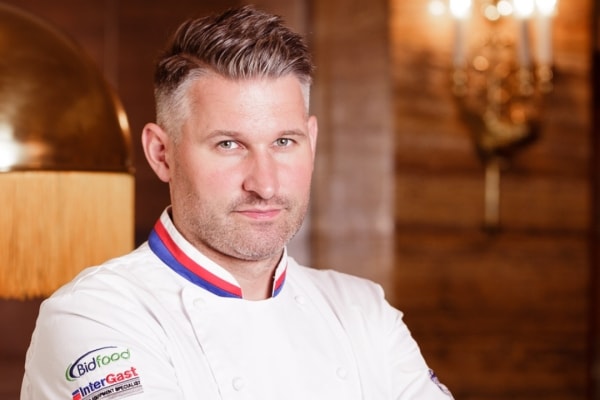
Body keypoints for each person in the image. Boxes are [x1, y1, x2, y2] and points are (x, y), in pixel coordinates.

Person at [21, 6, 453, 400]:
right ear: (161, 154)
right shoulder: (94, 317)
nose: (264, 184)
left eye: (284, 142)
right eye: (229, 144)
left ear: (312, 141)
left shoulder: (363, 312)